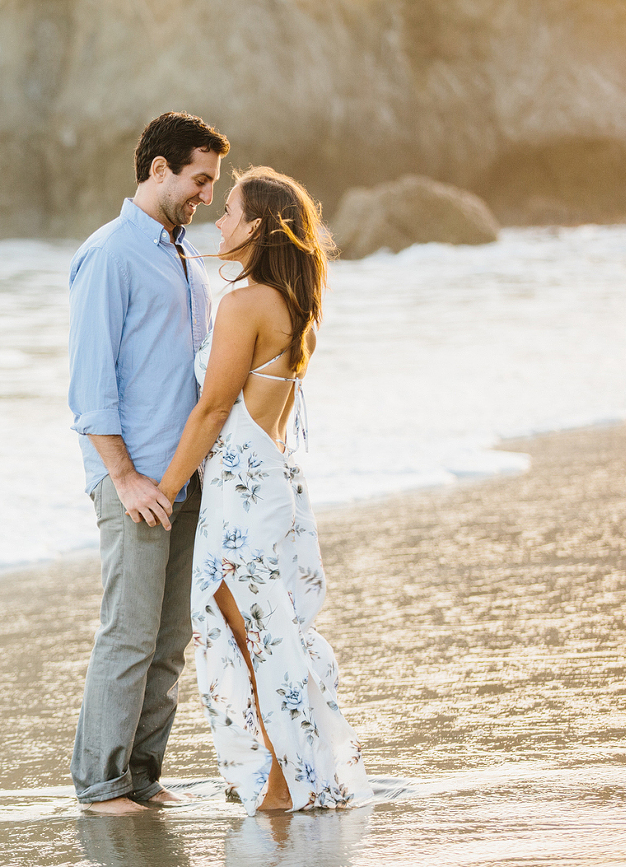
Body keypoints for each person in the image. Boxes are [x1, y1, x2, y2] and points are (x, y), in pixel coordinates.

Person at [156, 166, 373, 814]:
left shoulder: (247, 303)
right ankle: (290, 776)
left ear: (256, 227)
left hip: (243, 503)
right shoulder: (286, 304)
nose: (217, 220)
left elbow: (213, 407)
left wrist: (164, 490)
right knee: (261, 638)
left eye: (229, 210)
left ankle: (286, 784)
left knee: (253, 642)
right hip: (261, 491)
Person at [67, 111, 230, 815]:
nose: (206, 195)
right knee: (128, 635)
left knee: (167, 643)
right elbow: (87, 384)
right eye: (198, 179)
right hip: (135, 482)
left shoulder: (180, 253)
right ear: (158, 169)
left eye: (212, 184)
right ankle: (100, 785)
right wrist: (124, 476)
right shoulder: (109, 254)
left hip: (185, 478)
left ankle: (140, 775)